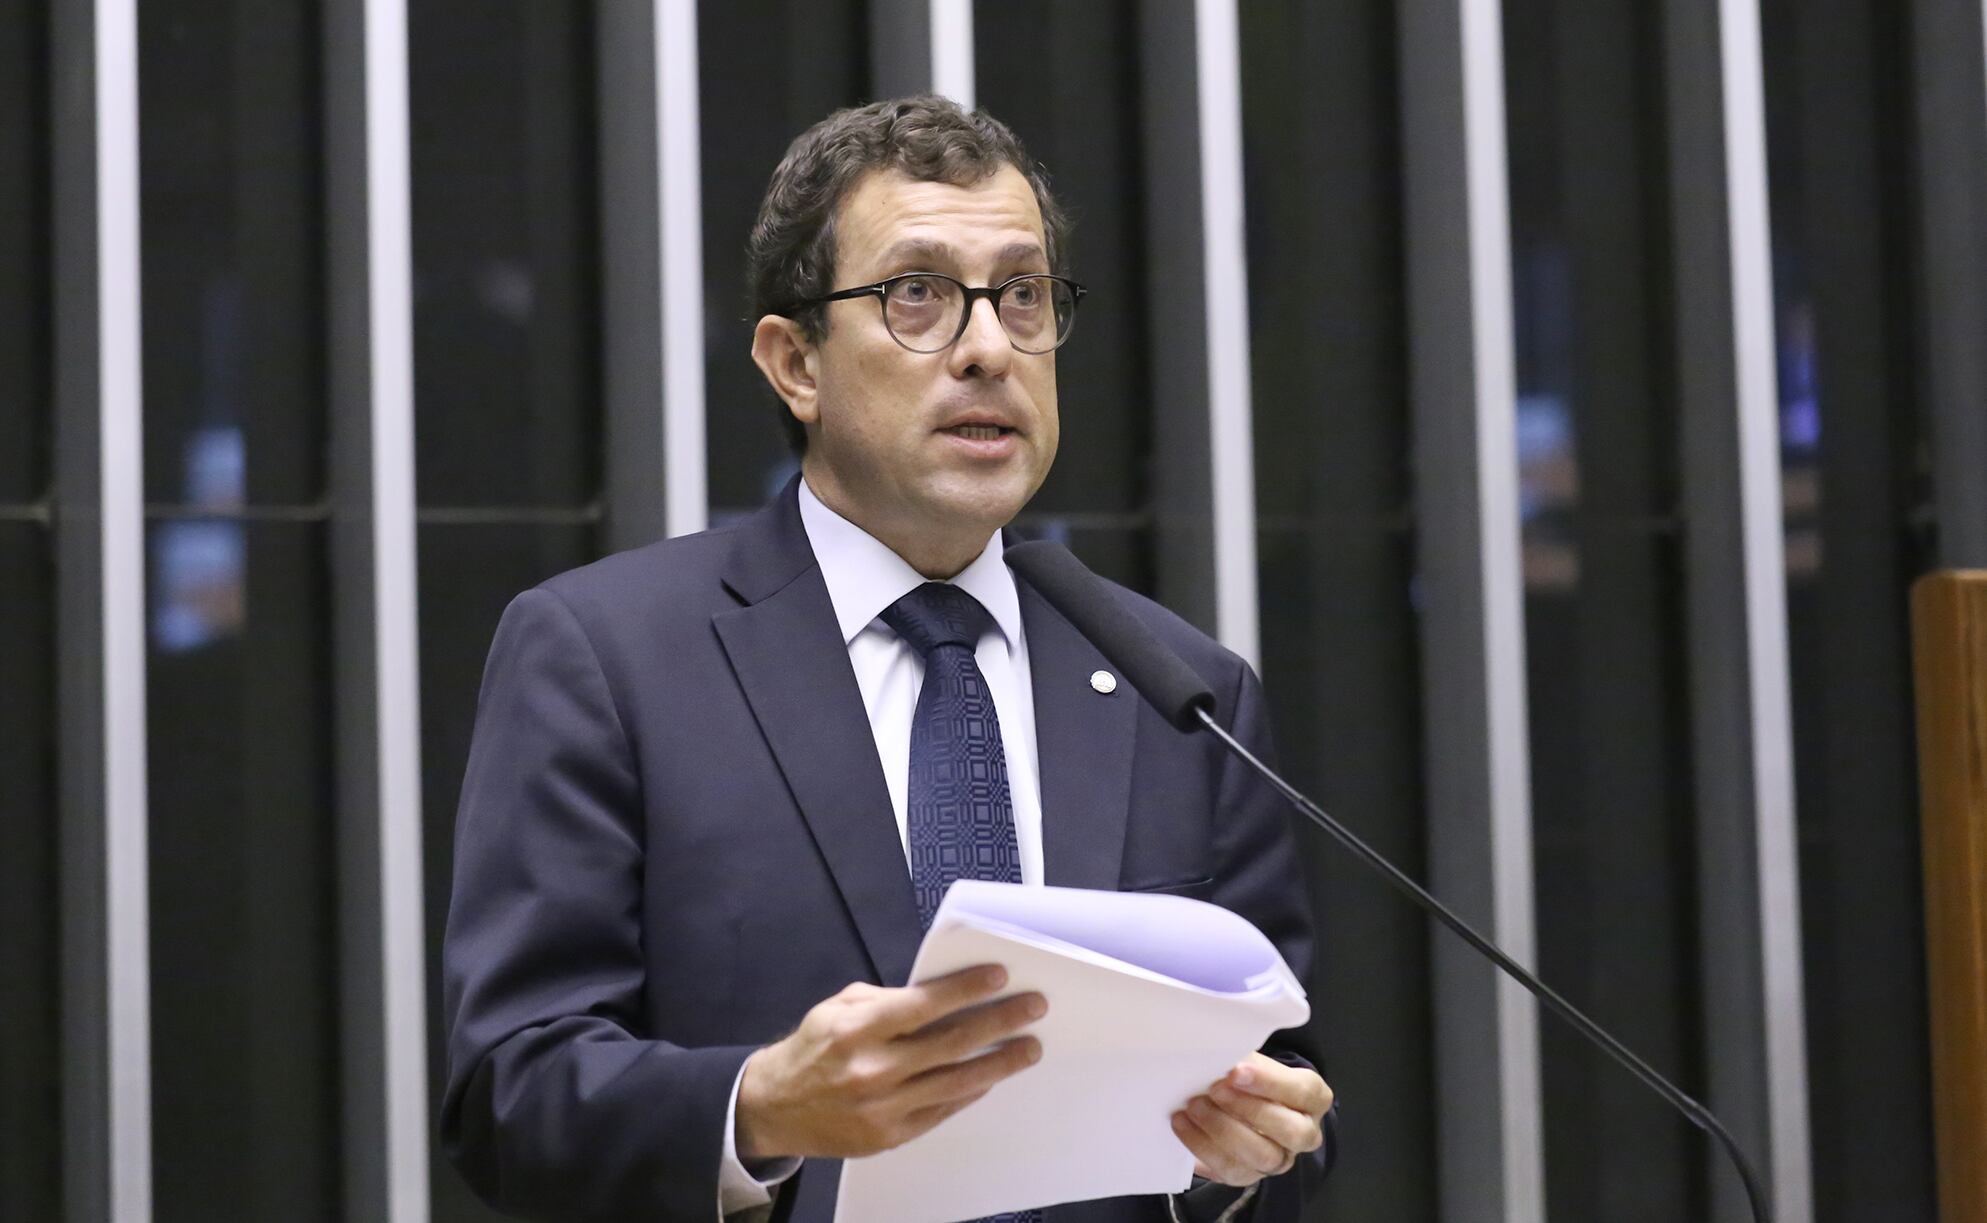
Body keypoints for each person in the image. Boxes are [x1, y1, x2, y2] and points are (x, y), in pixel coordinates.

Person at [441, 95, 1336, 1223]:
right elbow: (511, 1094)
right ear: (795, 363)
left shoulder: (1179, 688)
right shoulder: (608, 657)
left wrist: (1241, 1156)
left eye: (1022, 294)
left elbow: (1286, 1089)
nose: (987, 347)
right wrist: (758, 1106)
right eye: (916, 293)